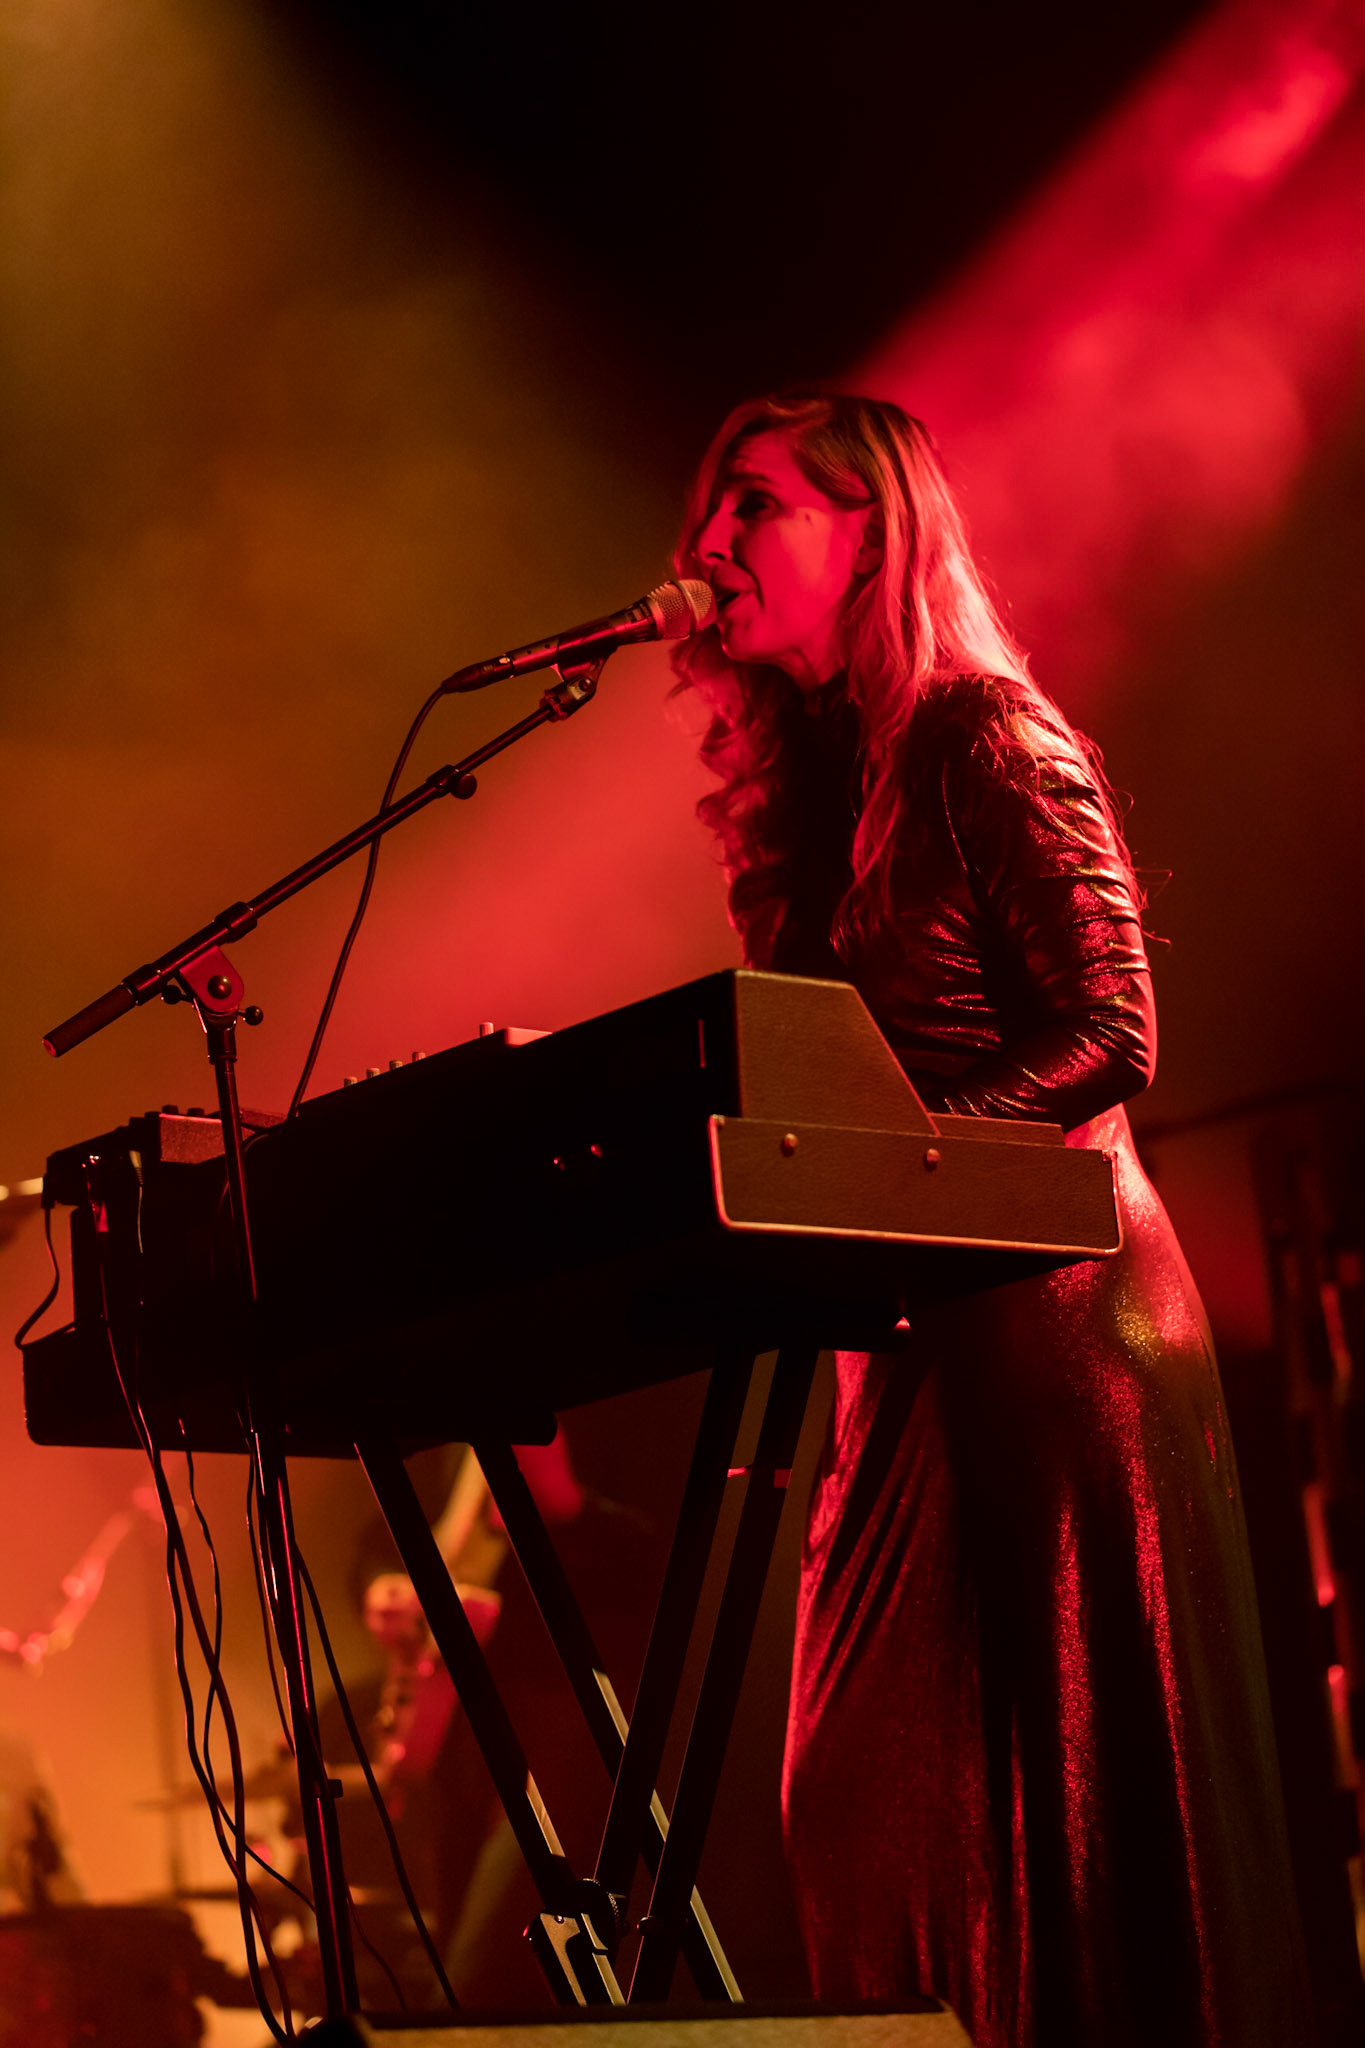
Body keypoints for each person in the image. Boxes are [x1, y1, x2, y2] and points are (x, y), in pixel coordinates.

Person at [670, 390, 1310, 2048]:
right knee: (862, 1801)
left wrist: (901, 1166)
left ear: (868, 529)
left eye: (756, 506)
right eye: (711, 512)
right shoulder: (815, 789)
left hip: (1052, 1320)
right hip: (911, 1336)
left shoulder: (981, 733)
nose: (712, 543)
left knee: (1065, 1807)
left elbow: (1112, 1029)